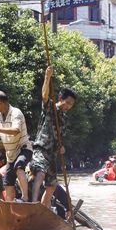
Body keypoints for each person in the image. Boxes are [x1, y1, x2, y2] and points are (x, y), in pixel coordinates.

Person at [30, 66, 77, 208]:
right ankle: (33, 204)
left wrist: (61, 148)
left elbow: (59, 138)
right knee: (41, 173)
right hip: (41, 149)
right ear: (60, 99)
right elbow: (44, 95)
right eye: (67, 102)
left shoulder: (64, 118)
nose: (69, 106)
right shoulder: (51, 108)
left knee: (52, 185)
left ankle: (44, 207)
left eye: (71, 104)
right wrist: (47, 76)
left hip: (52, 154)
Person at [0, 90, 33, 202]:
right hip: (10, 154)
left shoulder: (16, 113)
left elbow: (16, 130)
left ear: (0, 103)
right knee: (8, 181)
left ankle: (25, 197)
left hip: (23, 148)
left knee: (19, 166)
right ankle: (10, 204)